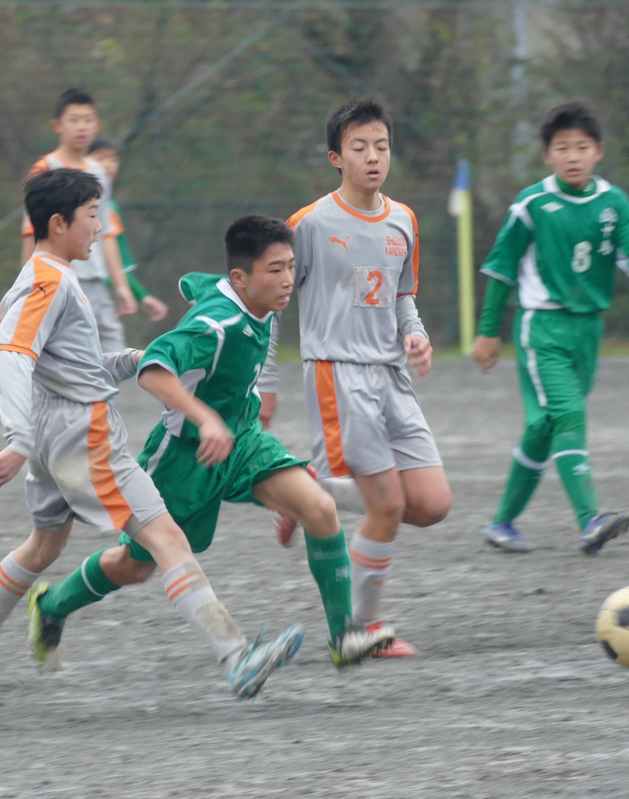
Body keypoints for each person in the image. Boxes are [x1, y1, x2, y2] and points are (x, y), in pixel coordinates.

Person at [0, 169, 303, 699]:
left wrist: (131, 361)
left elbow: (65, 366)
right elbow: (15, 356)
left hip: (53, 434)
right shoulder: (49, 281)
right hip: (80, 436)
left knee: (43, 548)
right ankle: (236, 656)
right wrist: (15, 437)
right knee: (165, 538)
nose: (100, 228)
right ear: (59, 223)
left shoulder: (42, 278)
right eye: (92, 217)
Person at [25, 215, 395, 672]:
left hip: (242, 440)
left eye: (290, 266)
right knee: (135, 566)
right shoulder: (215, 325)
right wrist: (205, 420)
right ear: (241, 278)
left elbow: (196, 282)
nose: (287, 280)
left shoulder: (244, 297)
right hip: (185, 456)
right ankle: (52, 604)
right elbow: (154, 368)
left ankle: (345, 635)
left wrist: (227, 422)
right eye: (274, 269)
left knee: (319, 509)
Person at [260, 97, 452, 657]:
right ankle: (359, 631)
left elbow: (403, 301)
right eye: (359, 147)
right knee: (387, 506)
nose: (373, 156)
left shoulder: (403, 220)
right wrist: (265, 384)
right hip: (337, 375)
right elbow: (271, 307)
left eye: (382, 145)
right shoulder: (310, 226)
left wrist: (416, 335)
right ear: (335, 158)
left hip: (393, 378)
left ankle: (301, 495)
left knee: (432, 504)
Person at [473, 100, 629, 554]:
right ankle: (590, 519)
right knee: (568, 414)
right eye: (561, 147)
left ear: (598, 152)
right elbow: (501, 269)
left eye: (581, 147)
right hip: (542, 328)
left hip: (588, 332)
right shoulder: (532, 205)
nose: (572, 156)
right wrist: (489, 330)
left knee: (545, 428)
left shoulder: (612, 203)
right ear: (547, 155)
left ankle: (501, 522)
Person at [21, 88, 136, 352]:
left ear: (97, 125)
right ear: (57, 126)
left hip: (96, 284)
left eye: (88, 119)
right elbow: (32, 232)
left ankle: (104, 397)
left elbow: (105, 234)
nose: (81, 126)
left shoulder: (98, 172)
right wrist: (29, 284)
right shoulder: (44, 170)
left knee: (113, 356)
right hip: (58, 281)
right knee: (70, 358)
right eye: (74, 120)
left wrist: (120, 286)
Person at [87, 134, 169, 330]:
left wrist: (141, 296)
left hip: (102, 301)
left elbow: (119, 265)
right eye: (100, 158)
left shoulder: (111, 210)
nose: (108, 165)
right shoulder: (68, 206)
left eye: (113, 158)